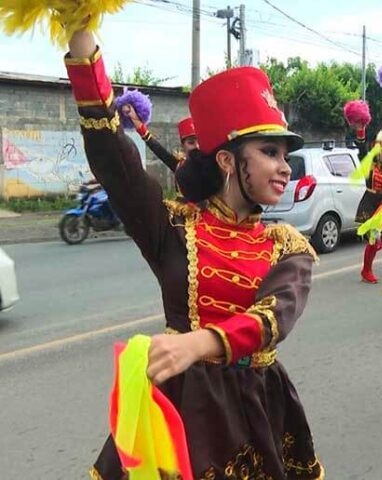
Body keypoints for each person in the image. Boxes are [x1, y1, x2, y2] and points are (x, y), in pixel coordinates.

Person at [65, 28, 324, 479]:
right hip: (180, 402)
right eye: (269, 152)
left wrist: (198, 343)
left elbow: (274, 317)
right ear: (227, 161)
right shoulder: (174, 229)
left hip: (256, 402)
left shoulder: (287, 246)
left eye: (285, 155)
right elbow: (115, 160)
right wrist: (82, 42)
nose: (284, 166)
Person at [350, 121, 382, 283]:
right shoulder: (369, 166)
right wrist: (361, 131)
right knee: (374, 239)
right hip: (371, 203)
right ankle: (366, 270)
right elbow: (362, 150)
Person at [123, 104, 198, 172]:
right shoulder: (179, 166)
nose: (197, 146)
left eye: (201, 142)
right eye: (191, 142)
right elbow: (157, 148)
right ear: (182, 146)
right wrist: (135, 118)